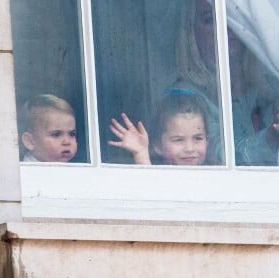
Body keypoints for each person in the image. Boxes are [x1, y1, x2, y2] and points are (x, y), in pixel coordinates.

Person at [175, 0, 279, 165]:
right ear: (191, 32)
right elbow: (219, 157)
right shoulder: (183, 98)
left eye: (233, 19)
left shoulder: (269, 87)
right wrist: (270, 138)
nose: (226, 27)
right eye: (210, 20)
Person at [108, 92, 210, 166]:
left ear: (207, 140)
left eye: (198, 138)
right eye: (178, 140)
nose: (189, 148)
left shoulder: (216, 175)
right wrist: (141, 154)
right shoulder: (161, 177)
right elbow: (151, 188)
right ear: (158, 145)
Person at [21, 94, 78, 162]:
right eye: (56, 134)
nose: (67, 142)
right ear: (30, 141)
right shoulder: (27, 171)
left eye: (72, 134)